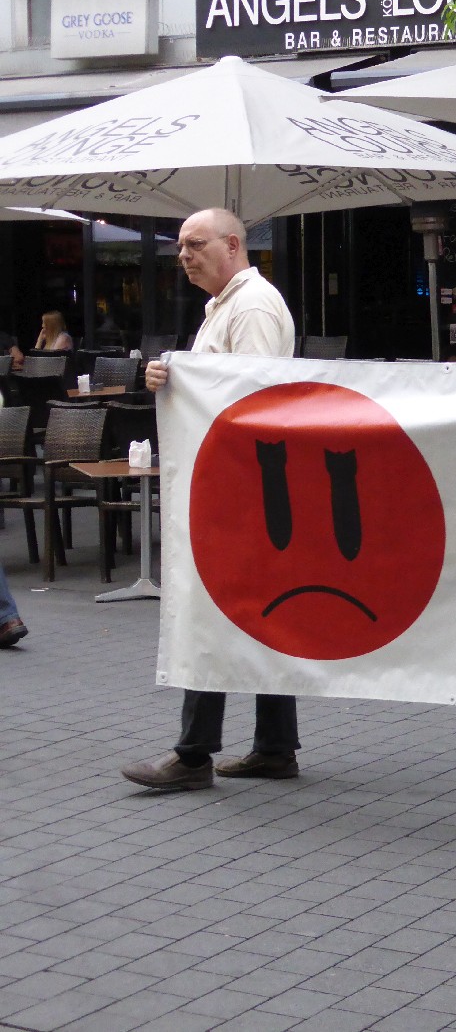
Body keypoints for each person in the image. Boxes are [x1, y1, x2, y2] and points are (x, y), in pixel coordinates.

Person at [121, 207, 300, 792]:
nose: (183, 256)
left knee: (208, 612)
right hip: (248, 483)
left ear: (232, 244)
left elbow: (255, 396)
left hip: (243, 485)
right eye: (180, 246)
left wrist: (184, 382)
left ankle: (194, 755)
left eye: (195, 244)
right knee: (261, 615)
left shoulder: (251, 307)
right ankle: (273, 747)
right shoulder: (228, 306)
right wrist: (173, 379)